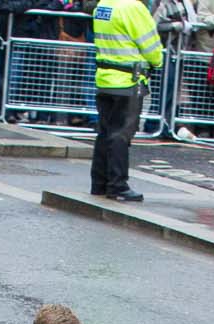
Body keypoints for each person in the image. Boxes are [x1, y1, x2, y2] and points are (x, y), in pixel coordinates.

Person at [90, 0, 160, 200]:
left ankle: (99, 183)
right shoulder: (133, 7)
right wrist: (157, 61)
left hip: (105, 77)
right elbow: (151, 46)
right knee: (121, 134)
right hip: (128, 79)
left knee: (105, 132)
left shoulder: (103, 4)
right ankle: (118, 185)